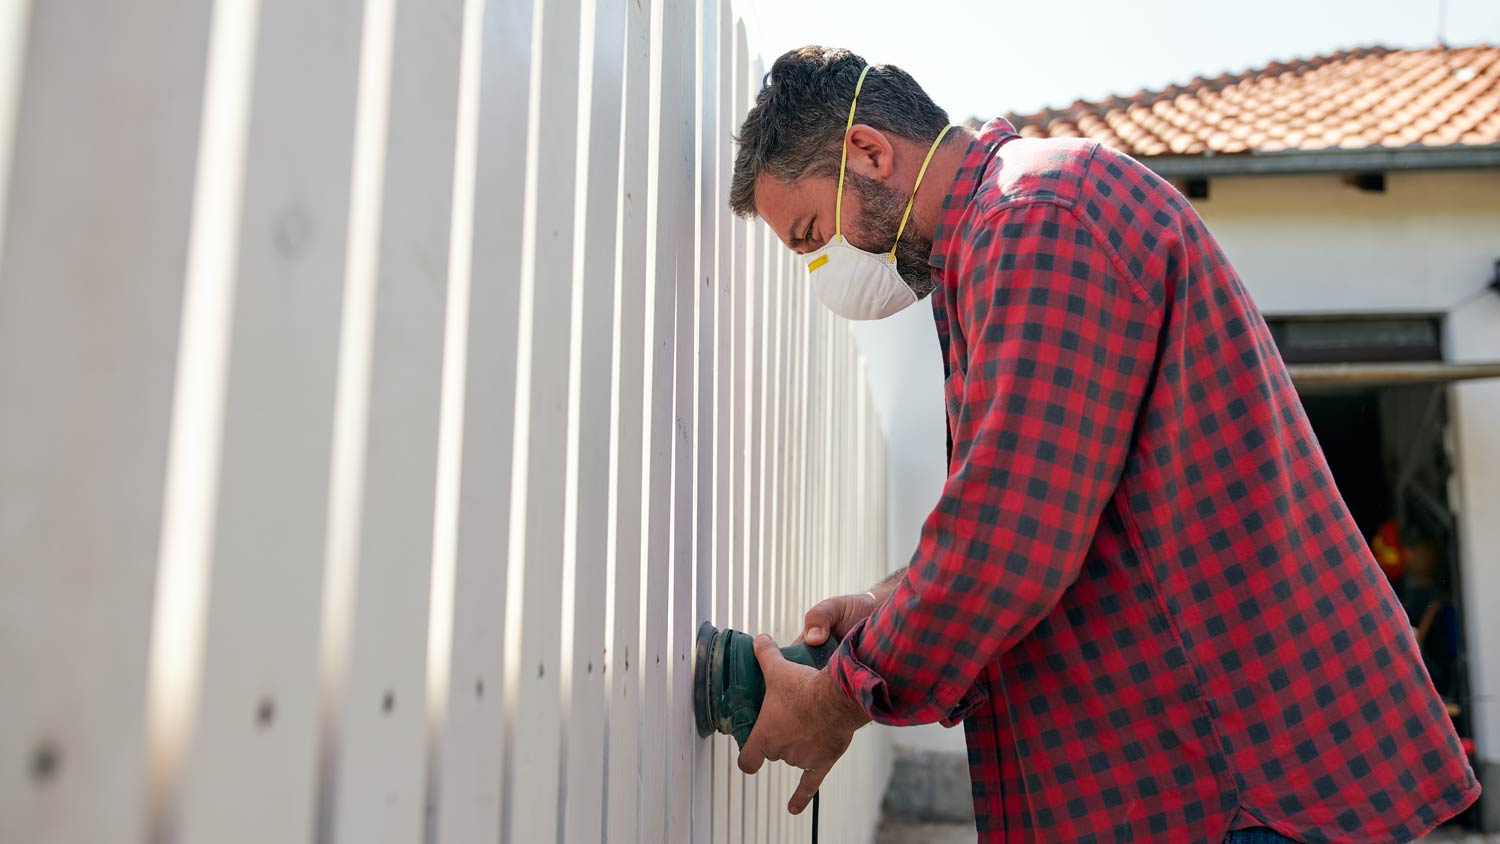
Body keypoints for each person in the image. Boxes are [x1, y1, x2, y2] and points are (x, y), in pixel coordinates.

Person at [727, 46, 1480, 844]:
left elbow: (1010, 540)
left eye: (813, 233)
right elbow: (1063, 504)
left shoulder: (1033, 218)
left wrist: (839, 697)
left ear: (870, 153)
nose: (825, 270)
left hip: (1240, 787)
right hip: (1211, 782)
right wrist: (889, 602)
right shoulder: (1007, 233)